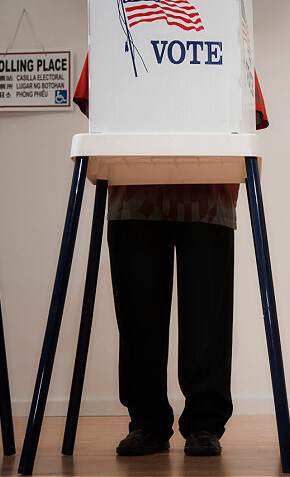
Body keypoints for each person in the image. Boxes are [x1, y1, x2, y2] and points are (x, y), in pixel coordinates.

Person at [73, 56, 269, 456]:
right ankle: (147, 421)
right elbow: (94, 101)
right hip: (135, 186)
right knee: (138, 314)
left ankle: (204, 422)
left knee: (206, 317)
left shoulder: (218, 21)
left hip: (207, 188)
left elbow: (249, 107)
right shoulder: (122, 16)